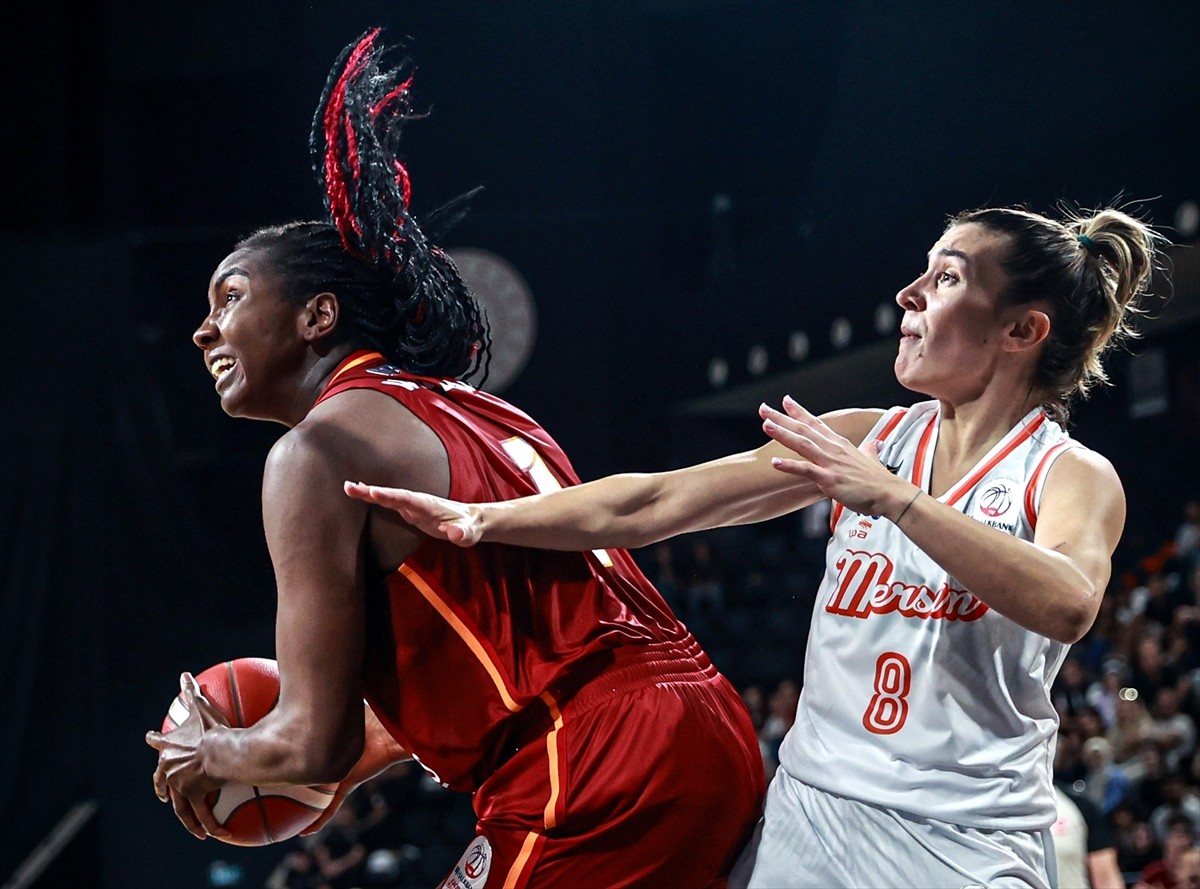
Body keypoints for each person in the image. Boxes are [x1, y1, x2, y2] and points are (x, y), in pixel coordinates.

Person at [346, 201, 1163, 886]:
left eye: (947, 277)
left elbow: (1067, 601)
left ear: (1023, 329)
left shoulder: (1068, 475)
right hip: (810, 815)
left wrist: (896, 500)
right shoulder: (866, 438)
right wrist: (485, 518)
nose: (910, 293)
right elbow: (658, 499)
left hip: (966, 843)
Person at [143, 28, 764, 889]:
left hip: (586, 764)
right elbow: (520, 645)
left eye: (232, 296)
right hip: (695, 718)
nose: (206, 327)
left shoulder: (311, 451)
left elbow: (308, 736)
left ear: (318, 317)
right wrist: (371, 747)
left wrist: (218, 748)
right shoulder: (475, 407)